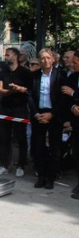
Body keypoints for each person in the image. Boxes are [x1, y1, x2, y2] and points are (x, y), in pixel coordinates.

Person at [26, 48, 69, 190]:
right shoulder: (34, 76)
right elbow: (30, 96)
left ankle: (51, 177)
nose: (46, 61)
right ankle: (41, 176)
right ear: (39, 60)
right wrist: (37, 114)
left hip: (54, 114)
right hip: (39, 114)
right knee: (39, 147)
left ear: (53, 59)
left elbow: (63, 98)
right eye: (43, 58)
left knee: (55, 148)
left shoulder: (60, 75)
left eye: (48, 58)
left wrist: (52, 114)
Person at [0, 47, 31, 177]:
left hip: (20, 108)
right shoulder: (3, 72)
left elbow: (29, 90)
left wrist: (20, 89)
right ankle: (4, 164)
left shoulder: (25, 73)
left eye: (8, 54)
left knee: (21, 138)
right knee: (4, 137)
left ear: (15, 56)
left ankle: (21, 165)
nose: (5, 57)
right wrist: (13, 91)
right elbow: (0, 91)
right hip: (5, 108)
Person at [60, 50, 79, 199]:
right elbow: (66, 99)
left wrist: (73, 94)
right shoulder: (72, 77)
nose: (72, 64)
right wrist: (72, 107)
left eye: (75, 62)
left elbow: (71, 94)